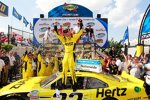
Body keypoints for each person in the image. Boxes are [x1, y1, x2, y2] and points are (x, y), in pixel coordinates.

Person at [53, 19, 83, 86]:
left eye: (67, 32)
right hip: (66, 55)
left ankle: (74, 84)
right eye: (65, 33)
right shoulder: (64, 39)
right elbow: (56, 33)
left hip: (71, 55)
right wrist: (55, 25)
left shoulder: (74, 37)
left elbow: (81, 31)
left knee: (72, 70)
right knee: (64, 70)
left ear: (70, 32)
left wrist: (81, 23)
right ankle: (63, 84)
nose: (67, 34)